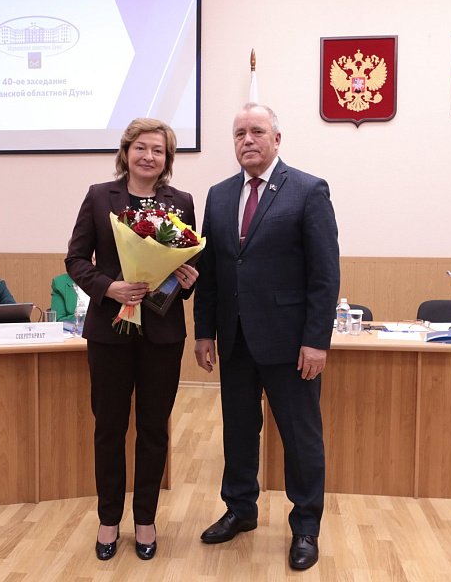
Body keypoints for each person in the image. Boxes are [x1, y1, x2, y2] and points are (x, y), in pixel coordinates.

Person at [193, 103, 339, 571]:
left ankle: (306, 526)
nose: (247, 140)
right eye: (239, 133)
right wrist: (203, 332)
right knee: (238, 432)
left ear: (277, 139)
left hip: (291, 344)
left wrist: (316, 340)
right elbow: (211, 272)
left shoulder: (308, 190)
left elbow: (325, 275)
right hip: (234, 339)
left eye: (257, 131)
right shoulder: (219, 195)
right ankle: (240, 508)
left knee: (300, 437)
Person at [64, 118, 199, 561]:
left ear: (167, 158)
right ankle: (108, 519)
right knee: (109, 427)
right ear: (125, 152)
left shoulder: (181, 202)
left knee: (154, 429)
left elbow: (186, 265)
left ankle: (145, 519)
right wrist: (109, 288)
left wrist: (188, 279)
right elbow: (76, 260)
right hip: (110, 331)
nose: (148, 156)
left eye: (158, 150)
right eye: (141, 147)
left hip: (162, 333)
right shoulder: (99, 196)